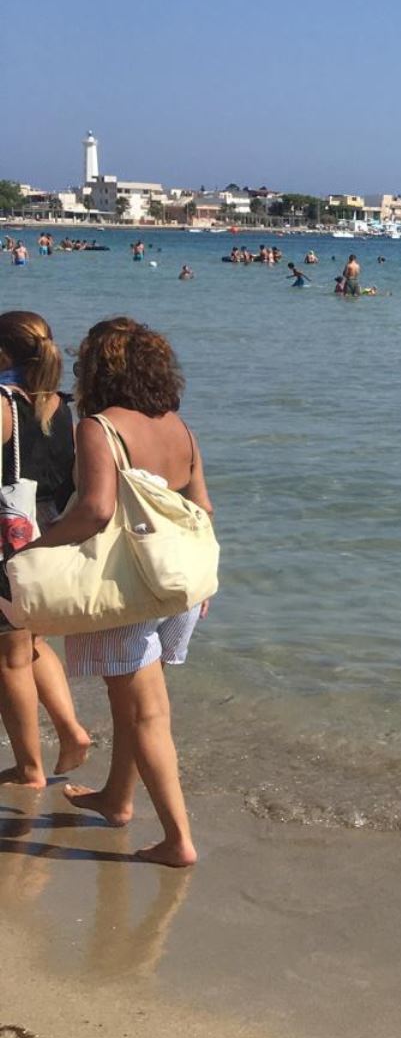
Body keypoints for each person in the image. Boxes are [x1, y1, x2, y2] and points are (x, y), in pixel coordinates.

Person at [30, 320, 210, 867]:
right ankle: (117, 798)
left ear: (101, 370)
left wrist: (34, 549)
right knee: (130, 704)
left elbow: (96, 510)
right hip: (180, 584)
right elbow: (202, 510)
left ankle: (177, 840)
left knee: (147, 714)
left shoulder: (99, 427)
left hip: (128, 587)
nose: (79, 369)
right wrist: (204, 586)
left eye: (86, 361)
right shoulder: (179, 427)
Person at [0, 313, 90, 787]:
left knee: (8, 658)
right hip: (50, 531)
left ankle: (30, 768)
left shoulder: (3, 402)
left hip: (9, 538)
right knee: (32, 643)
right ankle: (71, 731)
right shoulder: (59, 403)